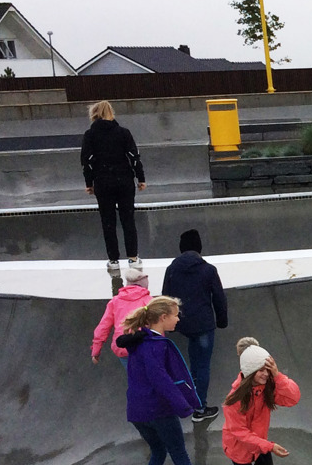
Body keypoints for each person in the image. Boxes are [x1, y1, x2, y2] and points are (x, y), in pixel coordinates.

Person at [115, 294, 208, 465]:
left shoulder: (138, 342)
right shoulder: (157, 346)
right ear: (163, 317)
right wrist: (184, 407)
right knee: (179, 454)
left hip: (137, 412)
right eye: (176, 316)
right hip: (159, 410)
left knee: (157, 452)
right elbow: (161, 380)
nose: (178, 320)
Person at [223, 343, 301, 465]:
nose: (265, 374)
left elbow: (293, 398)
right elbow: (239, 432)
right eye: (261, 371)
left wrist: (278, 375)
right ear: (249, 372)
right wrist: (270, 446)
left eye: (268, 369)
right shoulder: (235, 398)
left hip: (259, 442)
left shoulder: (266, 388)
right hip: (238, 446)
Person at [161, 229, 229, 421]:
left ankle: (188, 400)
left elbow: (166, 297)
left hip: (182, 323)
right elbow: (219, 298)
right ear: (199, 248)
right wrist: (222, 321)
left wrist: (167, 324)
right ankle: (200, 408)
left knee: (191, 363)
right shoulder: (208, 269)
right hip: (204, 324)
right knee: (202, 366)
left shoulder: (171, 269)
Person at [81, 99, 146, 274]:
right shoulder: (123, 133)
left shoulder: (90, 135)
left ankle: (114, 259)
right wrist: (141, 178)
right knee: (128, 219)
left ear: (94, 114)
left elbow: (86, 162)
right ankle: (133, 258)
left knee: (108, 221)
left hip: (102, 182)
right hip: (124, 180)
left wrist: (89, 183)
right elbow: (134, 156)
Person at [91, 270, 153, 364]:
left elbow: (103, 326)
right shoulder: (149, 301)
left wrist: (96, 350)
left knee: (132, 375)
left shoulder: (115, 301)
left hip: (122, 346)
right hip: (144, 346)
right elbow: (157, 325)